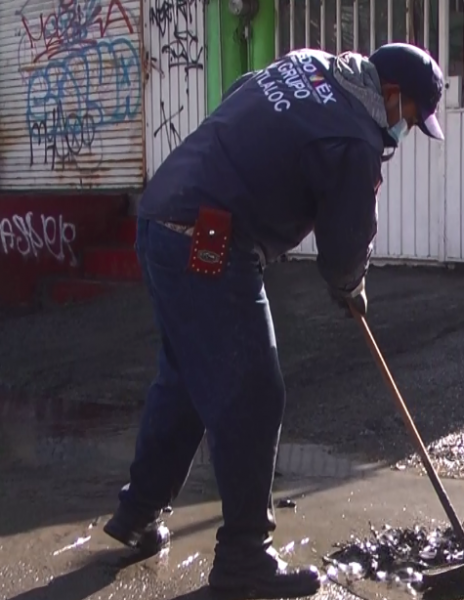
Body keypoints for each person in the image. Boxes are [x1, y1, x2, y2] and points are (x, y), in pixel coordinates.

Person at [102, 43, 444, 598]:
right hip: (206, 234)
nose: (404, 133)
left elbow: (241, 94)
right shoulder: (354, 139)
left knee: (190, 377)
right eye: (409, 119)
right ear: (390, 96)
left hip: (165, 211)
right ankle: (244, 560)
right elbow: (343, 248)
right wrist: (351, 287)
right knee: (254, 392)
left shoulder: (307, 63)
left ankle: (136, 513)